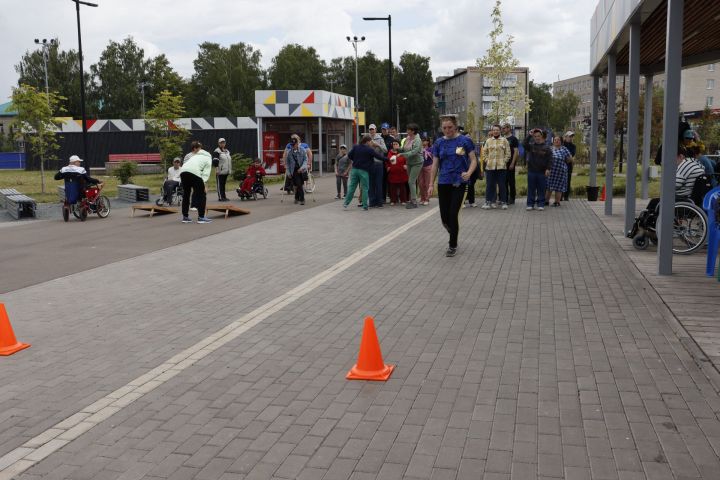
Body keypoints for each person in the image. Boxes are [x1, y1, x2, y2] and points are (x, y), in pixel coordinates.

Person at [428, 115, 478, 257]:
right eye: (444, 128)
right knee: (444, 218)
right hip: (444, 182)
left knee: (452, 213)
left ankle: (452, 244)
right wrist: (431, 183)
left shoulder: (464, 140)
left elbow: (473, 160)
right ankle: (453, 233)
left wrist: (468, 173)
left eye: (450, 127)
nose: (447, 130)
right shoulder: (438, 143)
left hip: (459, 182)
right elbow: (435, 164)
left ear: (455, 127)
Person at [343, 134, 388, 211]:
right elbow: (379, 157)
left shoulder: (355, 147)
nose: (372, 143)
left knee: (351, 187)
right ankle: (365, 206)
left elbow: (350, 156)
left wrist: (356, 159)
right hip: (364, 171)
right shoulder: (369, 150)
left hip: (354, 170)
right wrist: (388, 159)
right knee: (365, 188)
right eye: (371, 142)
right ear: (367, 142)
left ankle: (346, 203)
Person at [179, 141, 213, 223]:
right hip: (194, 172)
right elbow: (206, 173)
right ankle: (201, 217)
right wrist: (204, 184)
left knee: (186, 194)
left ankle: (185, 217)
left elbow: (187, 165)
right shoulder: (208, 158)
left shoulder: (195, 156)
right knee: (201, 194)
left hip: (183, 172)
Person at [481, 125, 511, 209]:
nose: (496, 131)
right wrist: (487, 160)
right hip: (490, 167)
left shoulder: (504, 140)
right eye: (494, 130)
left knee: (502, 185)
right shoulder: (488, 141)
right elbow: (484, 152)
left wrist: (504, 161)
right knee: (490, 185)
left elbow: (508, 153)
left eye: (497, 130)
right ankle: (488, 202)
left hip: (501, 167)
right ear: (492, 131)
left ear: (500, 131)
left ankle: (504, 202)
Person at [524, 129, 553, 211]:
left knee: (541, 189)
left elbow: (550, 159)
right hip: (532, 171)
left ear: (541, 136)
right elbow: (524, 144)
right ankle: (530, 204)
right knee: (531, 189)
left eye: (538, 136)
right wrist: (529, 135)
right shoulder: (531, 146)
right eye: (535, 136)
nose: (537, 138)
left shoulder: (547, 147)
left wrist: (548, 169)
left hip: (542, 172)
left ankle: (541, 204)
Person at [401, 123, 423, 209]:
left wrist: (402, 154)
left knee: (411, 181)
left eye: (408, 130)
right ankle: (412, 199)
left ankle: (414, 201)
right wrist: (397, 149)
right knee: (410, 181)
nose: (407, 131)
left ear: (413, 131)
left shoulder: (418, 140)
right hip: (409, 162)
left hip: (417, 163)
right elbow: (404, 148)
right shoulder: (408, 138)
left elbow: (414, 152)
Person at [546, 136, 571, 207]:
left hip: (561, 172)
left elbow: (570, 159)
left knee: (558, 187)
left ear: (561, 141)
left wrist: (564, 161)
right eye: (555, 140)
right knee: (548, 186)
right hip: (550, 171)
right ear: (553, 141)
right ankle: (546, 201)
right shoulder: (550, 148)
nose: (556, 141)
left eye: (558, 140)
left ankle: (557, 202)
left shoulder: (564, 149)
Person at [367, 124, 388, 208]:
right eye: (370, 129)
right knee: (370, 184)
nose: (371, 131)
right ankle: (372, 202)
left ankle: (379, 202)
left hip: (378, 163)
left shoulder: (380, 138)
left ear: (376, 129)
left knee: (378, 183)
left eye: (373, 129)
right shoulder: (366, 138)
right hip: (369, 164)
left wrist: (377, 145)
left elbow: (385, 150)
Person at [286, 135, 308, 205]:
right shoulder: (289, 152)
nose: (293, 146)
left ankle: (299, 198)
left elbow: (305, 160)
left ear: (297, 144)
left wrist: (302, 168)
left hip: (301, 170)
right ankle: (299, 198)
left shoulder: (302, 150)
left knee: (299, 184)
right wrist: (288, 173)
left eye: (294, 144)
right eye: (292, 145)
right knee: (298, 185)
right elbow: (288, 164)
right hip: (294, 171)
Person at [387, 140, 409, 205]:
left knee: (402, 187)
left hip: (402, 172)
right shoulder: (390, 152)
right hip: (393, 172)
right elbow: (387, 161)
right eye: (394, 144)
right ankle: (393, 200)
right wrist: (388, 167)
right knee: (392, 187)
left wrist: (406, 165)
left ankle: (403, 200)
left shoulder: (402, 152)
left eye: (396, 144)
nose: (395, 145)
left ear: (399, 145)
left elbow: (407, 159)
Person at [502, 123, 519, 204]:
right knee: (504, 181)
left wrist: (513, 163)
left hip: (510, 163)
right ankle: (505, 197)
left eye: (504, 128)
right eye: (503, 128)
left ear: (509, 128)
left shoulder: (514, 139)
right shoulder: (502, 139)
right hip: (503, 163)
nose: (503, 130)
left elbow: (516, 151)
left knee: (511, 181)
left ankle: (512, 198)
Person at [418, 137, 434, 206]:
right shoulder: (419, 149)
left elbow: (434, 158)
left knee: (427, 183)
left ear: (427, 142)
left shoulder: (431, 149)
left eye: (424, 141)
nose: (423, 142)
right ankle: (422, 198)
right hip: (420, 167)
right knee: (421, 183)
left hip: (428, 166)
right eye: (422, 141)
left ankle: (427, 199)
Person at [562, 131, 576, 200]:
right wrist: (567, 157)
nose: (571, 138)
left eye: (572, 137)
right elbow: (562, 153)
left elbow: (572, 155)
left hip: (569, 165)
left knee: (568, 180)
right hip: (561, 164)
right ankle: (560, 196)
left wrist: (569, 158)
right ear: (566, 137)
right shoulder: (562, 144)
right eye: (569, 136)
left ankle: (566, 196)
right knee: (561, 180)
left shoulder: (573, 146)